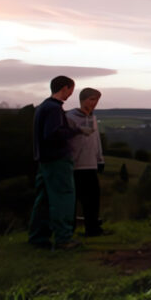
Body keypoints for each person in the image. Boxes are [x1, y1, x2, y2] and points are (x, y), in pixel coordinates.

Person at [28, 75, 92, 250]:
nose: (70, 94)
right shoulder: (54, 109)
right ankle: (64, 239)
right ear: (65, 88)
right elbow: (53, 134)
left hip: (45, 161)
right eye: (70, 90)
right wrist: (76, 130)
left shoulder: (43, 107)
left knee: (44, 200)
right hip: (57, 160)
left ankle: (38, 237)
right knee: (63, 198)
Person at [66, 88, 109, 237]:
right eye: (91, 99)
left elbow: (96, 140)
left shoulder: (93, 118)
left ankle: (92, 229)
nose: (94, 103)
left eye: (96, 100)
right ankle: (67, 232)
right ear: (83, 100)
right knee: (72, 201)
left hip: (91, 164)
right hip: (75, 165)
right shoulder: (69, 117)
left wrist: (100, 159)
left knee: (92, 199)